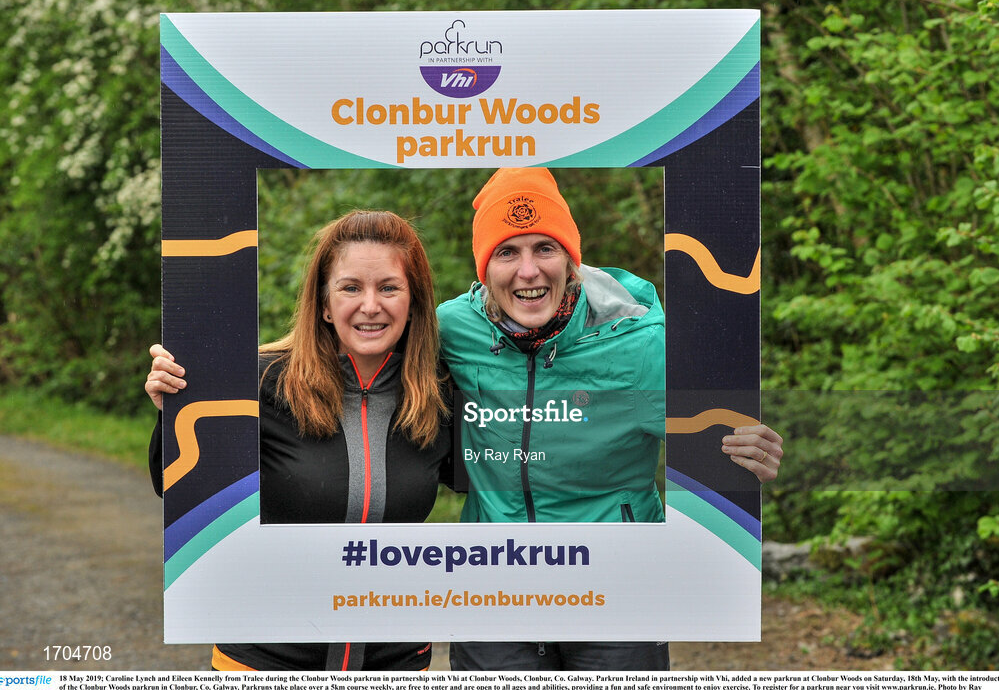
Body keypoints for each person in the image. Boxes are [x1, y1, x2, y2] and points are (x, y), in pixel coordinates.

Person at [437, 168, 784, 670]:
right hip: (494, 585)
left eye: (545, 248)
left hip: (615, 586)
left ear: (571, 260)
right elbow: (363, 346)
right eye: (507, 252)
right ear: (484, 268)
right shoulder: (453, 329)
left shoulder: (639, 342)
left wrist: (750, 456)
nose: (528, 271)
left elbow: (717, 433)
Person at [145, 210, 449, 671]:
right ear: (325, 303)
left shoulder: (440, 394)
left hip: (397, 662)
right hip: (265, 659)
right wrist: (175, 408)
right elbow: (172, 484)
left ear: (415, 302)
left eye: (389, 287)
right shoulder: (260, 379)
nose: (371, 305)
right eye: (350, 287)